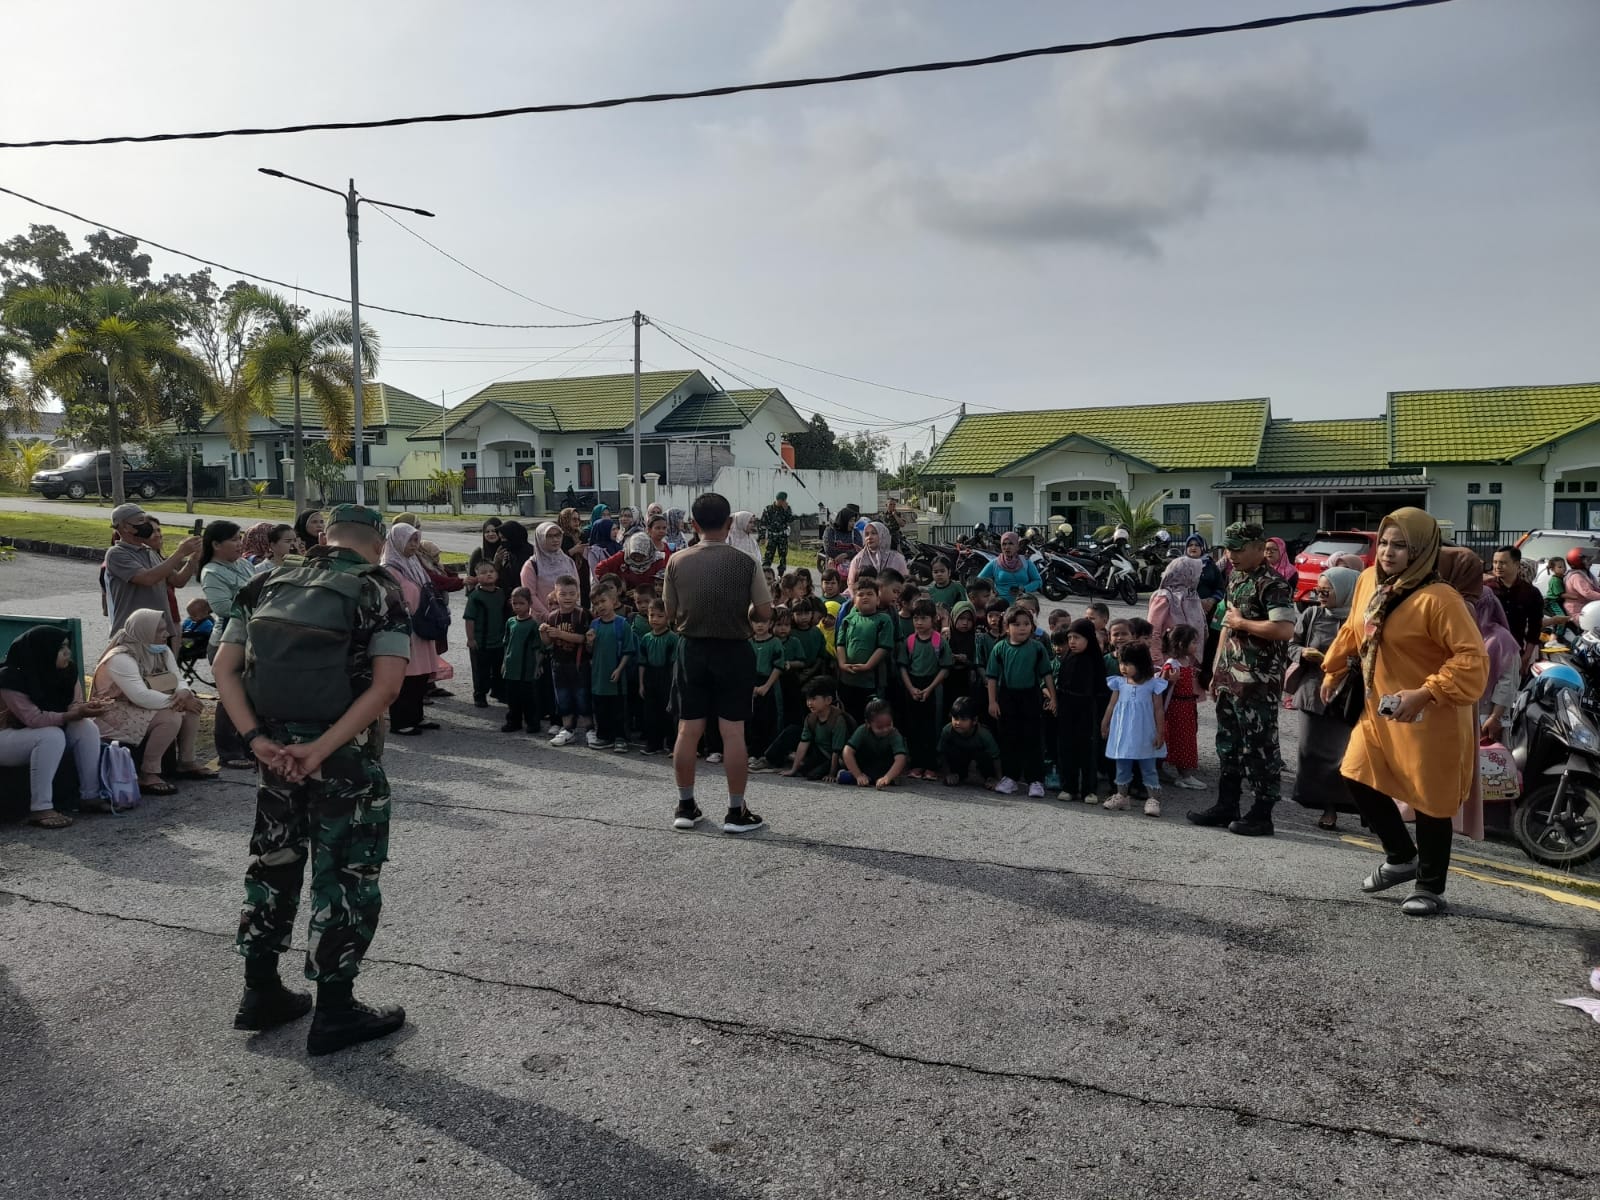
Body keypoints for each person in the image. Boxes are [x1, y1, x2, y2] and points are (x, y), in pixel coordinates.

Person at [214, 503, 410, 1053]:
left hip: (274, 756)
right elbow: (388, 685)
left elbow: (224, 668)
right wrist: (322, 747)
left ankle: (260, 991)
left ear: (324, 537)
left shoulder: (267, 581)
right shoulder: (378, 588)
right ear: (377, 543)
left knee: (273, 862)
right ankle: (336, 1009)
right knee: (345, 875)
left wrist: (258, 741)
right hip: (339, 758)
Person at [1321, 508, 1488, 917]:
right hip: (1380, 709)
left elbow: (1472, 660)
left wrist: (1427, 692)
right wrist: (1333, 666)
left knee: (1431, 799)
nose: (1390, 553)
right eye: (1386, 544)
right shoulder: (1366, 581)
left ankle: (1430, 886)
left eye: (1402, 546)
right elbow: (1354, 630)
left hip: (1430, 717)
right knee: (1355, 774)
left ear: (1423, 551)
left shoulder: (1441, 599)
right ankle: (1400, 855)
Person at [662, 491, 772, 834]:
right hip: (733, 650)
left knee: (688, 728)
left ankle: (685, 805)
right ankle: (736, 811)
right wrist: (744, 609)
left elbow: (669, 613)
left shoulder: (677, 561)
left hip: (691, 648)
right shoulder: (745, 562)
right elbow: (765, 612)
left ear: (693, 524)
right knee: (733, 731)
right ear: (728, 523)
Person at [1188, 522, 1296, 838]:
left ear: (1258, 548)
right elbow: (1227, 626)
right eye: (1228, 548)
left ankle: (1262, 813)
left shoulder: (1272, 584)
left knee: (1260, 746)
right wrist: (1216, 669)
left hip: (1258, 680)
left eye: (1237, 548)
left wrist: (1243, 622)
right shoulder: (1235, 577)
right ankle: (1227, 805)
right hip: (1229, 676)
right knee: (1228, 743)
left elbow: (1284, 629)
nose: (1231, 554)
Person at [1439, 546, 1520, 842]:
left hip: (1490, 714)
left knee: (1495, 768)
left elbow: (1507, 683)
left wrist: (1497, 716)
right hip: (1469, 709)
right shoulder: (1470, 635)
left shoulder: (1502, 640)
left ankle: (1497, 822)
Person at [90, 608, 212, 796]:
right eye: (160, 630)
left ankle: (186, 761)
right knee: (171, 717)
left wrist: (184, 692)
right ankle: (149, 773)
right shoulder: (120, 657)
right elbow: (140, 695)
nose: (167, 634)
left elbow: (178, 678)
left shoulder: (160, 650)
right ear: (143, 631)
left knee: (192, 706)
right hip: (114, 709)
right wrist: (178, 702)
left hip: (144, 702)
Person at [0, 626, 110, 827]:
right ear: (43, 651)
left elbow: (74, 706)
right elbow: (33, 719)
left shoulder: (68, 671)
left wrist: (86, 708)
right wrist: (74, 714)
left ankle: (90, 796)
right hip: (6, 736)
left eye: (67, 646)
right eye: (60, 648)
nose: (67, 653)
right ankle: (41, 808)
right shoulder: (10, 678)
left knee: (86, 727)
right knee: (51, 735)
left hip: (37, 733)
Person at [1285, 566, 1361, 830]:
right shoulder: (1312, 614)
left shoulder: (1359, 620)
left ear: (1345, 591)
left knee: (1343, 757)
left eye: (1326, 591)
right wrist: (1302, 653)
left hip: (1347, 696)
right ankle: (1326, 808)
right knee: (1311, 753)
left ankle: (1357, 807)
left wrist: (1343, 663)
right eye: (1318, 590)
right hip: (1312, 694)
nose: (1320, 595)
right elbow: (1291, 644)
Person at [200, 520, 261, 769]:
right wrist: (258, 606)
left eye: (240, 538)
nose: (240, 543)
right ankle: (228, 751)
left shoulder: (244, 564)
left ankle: (249, 745)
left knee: (251, 695)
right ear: (215, 544)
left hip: (252, 638)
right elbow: (222, 607)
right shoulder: (212, 572)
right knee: (229, 697)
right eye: (234, 539)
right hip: (227, 641)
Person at [104, 502, 201, 646]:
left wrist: (194, 558)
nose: (146, 525)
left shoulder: (150, 552)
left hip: (160, 633)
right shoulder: (116, 554)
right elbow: (147, 578)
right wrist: (180, 552)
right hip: (134, 634)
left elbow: (178, 580)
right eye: (140, 521)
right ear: (125, 526)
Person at [986, 604, 1056, 797]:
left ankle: (1035, 780)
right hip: (1007, 697)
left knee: (1032, 739)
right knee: (1009, 738)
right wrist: (992, 702)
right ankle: (1010, 778)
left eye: (1026, 624)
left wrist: (1054, 697)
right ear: (1006, 627)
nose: (1022, 628)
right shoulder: (999, 648)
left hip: (1030, 696)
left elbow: (1047, 674)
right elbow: (992, 676)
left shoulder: (1037, 648)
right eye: (1016, 624)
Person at [380, 522, 442, 736]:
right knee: (406, 676)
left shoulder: (413, 563)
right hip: (405, 629)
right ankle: (401, 721)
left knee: (420, 676)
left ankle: (417, 716)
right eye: (410, 540)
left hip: (421, 628)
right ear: (398, 541)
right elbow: (390, 599)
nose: (415, 545)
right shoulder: (389, 568)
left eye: (417, 540)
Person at [1101, 642, 1167, 816]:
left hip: (1145, 732)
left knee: (1148, 765)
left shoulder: (1153, 684)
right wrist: (1105, 722)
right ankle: (1122, 795)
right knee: (1122, 763)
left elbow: (1159, 709)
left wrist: (1161, 732)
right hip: (1122, 732)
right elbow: (1111, 705)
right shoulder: (1119, 683)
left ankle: (1153, 799)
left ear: (1141, 664)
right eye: (1122, 663)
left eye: (1128, 664)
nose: (1123, 667)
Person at [1054, 618, 1105, 804]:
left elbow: (1100, 689)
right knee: (1067, 748)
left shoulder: (1094, 660)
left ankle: (1089, 790)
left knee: (1088, 750)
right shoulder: (1068, 658)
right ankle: (1069, 787)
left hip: (1087, 710)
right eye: (1070, 638)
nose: (1072, 642)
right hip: (1067, 707)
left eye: (1077, 637)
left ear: (1088, 639)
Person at [899, 599, 952, 780]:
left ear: (934, 619)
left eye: (923, 618)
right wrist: (911, 688)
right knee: (913, 727)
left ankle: (930, 766)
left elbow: (945, 668)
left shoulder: (939, 641)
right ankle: (916, 765)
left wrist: (929, 688)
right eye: (916, 618)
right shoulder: (910, 641)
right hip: (912, 685)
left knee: (932, 728)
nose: (919, 623)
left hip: (933, 687)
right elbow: (903, 667)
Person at [835, 579, 895, 725]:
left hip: (871, 681)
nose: (865, 597)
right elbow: (840, 643)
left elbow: (884, 647)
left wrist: (868, 666)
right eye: (860, 594)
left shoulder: (883, 620)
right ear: (854, 599)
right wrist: (842, 664)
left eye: (870, 594)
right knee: (847, 716)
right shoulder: (848, 619)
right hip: (847, 679)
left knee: (871, 717)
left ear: (878, 599)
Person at [540, 576, 591, 745]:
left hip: (578, 664)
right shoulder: (552, 616)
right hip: (558, 664)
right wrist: (543, 633)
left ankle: (590, 729)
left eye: (571, 593)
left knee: (582, 697)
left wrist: (561, 634)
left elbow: (583, 638)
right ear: (556, 595)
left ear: (578, 594)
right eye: (563, 594)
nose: (567, 597)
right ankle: (568, 729)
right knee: (563, 698)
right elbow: (548, 643)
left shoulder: (582, 614)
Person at [585, 582, 636, 751]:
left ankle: (620, 738)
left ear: (613, 601)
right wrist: (590, 643)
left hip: (616, 677)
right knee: (600, 707)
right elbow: (590, 651)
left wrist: (619, 669)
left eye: (603, 601)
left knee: (618, 709)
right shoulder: (594, 625)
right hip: (598, 676)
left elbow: (628, 651)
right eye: (596, 603)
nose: (600, 606)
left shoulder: (622, 624)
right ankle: (603, 736)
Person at [769, 677, 851, 780]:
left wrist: (831, 774)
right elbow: (804, 742)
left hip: (833, 757)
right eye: (808, 699)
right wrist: (793, 770)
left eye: (813, 699)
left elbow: (836, 751)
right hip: (818, 751)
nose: (809, 703)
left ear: (828, 700)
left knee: (812, 775)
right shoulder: (810, 718)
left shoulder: (838, 720)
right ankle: (786, 760)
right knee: (792, 733)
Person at [1158, 624, 1204, 791]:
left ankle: (1183, 773)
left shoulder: (1187, 662)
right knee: (1178, 739)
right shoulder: (1172, 664)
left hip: (1187, 706)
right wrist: (1171, 680)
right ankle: (1183, 774)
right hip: (1176, 708)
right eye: (1192, 642)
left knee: (1185, 739)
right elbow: (1161, 687)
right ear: (1180, 644)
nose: (1195, 646)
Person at [1487, 544, 1544, 673]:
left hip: (1514, 652)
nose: (1497, 566)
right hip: (1487, 651)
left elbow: (1535, 628)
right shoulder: (1486, 589)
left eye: (1503, 563)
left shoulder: (1531, 593)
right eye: (1495, 562)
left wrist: (1526, 657)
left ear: (1517, 564)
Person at [462, 560, 509, 708]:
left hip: (499, 641)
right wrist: (470, 639)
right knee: (480, 671)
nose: (488, 574)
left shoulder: (501, 593)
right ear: (476, 577)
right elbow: (469, 619)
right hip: (480, 642)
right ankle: (480, 695)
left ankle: (498, 691)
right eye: (483, 572)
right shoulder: (475, 596)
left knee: (498, 668)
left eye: (491, 571)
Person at [636, 599, 679, 755]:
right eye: (651, 615)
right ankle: (654, 744)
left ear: (668, 618)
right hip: (650, 676)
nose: (655, 619)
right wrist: (641, 684)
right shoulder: (646, 638)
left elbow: (674, 663)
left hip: (666, 676)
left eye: (660, 616)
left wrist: (675, 683)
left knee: (668, 712)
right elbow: (642, 662)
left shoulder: (673, 638)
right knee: (651, 713)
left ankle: (672, 744)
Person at [500, 587, 542, 734]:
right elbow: (506, 644)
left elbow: (538, 647)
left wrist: (537, 665)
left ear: (529, 604)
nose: (517, 606)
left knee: (528, 698)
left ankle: (532, 723)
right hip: (512, 667)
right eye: (515, 603)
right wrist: (505, 663)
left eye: (521, 603)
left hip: (527, 668)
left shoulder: (533, 625)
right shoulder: (510, 622)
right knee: (512, 698)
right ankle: (514, 721)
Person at [840, 698, 907, 788]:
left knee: (890, 779)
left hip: (885, 769)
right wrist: (858, 775)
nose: (885, 730)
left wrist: (887, 777)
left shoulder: (894, 734)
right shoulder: (862, 730)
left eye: (889, 725)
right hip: (865, 766)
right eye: (880, 727)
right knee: (843, 777)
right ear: (868, 724)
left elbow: (901, 758)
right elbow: (847, 751)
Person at [1147, 556, 1206, 649]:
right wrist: (1157, 659)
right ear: (1186, 573)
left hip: (1190, 658)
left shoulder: (1191, 595)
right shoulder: (1164, 597)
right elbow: (1153, 631)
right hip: (1168, 659)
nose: (1198, 577)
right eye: (1196, 573)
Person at [976, 531, 1042, 600]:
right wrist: (991, 591)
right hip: (1001, 606)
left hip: (1022, 605)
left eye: (1011, 543)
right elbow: (978, 581)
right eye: (1004, 544)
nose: (1007, 547)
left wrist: (1024, 589)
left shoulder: (1026, 562)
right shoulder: (994, 563)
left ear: (1017, 546)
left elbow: (1038, 581)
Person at [847, 521, 908, 593]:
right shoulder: (858, 559)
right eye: (866, 534)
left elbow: (905, 583)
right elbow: (851, 584)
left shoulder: (897, 559)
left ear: (882, 535)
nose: (869, 537)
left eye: (874, 533)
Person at [760, 492, 797, 571]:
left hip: (782, 537)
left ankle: (780, 576)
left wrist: (786, 510)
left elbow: (790, 520)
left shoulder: (786, 508)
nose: (783, 502)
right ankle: (765, 574)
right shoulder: (768, 509)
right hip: (771, 537)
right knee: (768, 557)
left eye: (784, 500)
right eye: (782, 500)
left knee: (782, 558)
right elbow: (763, 523)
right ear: (778, 500)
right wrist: (762, 537)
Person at [466, 518, 504, 591]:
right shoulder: (479, 553)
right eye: (487, 532)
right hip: (483, 596)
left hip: (503, 595)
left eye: (494, 531)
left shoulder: (505, 551)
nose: (491, 534)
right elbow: (471, 579)